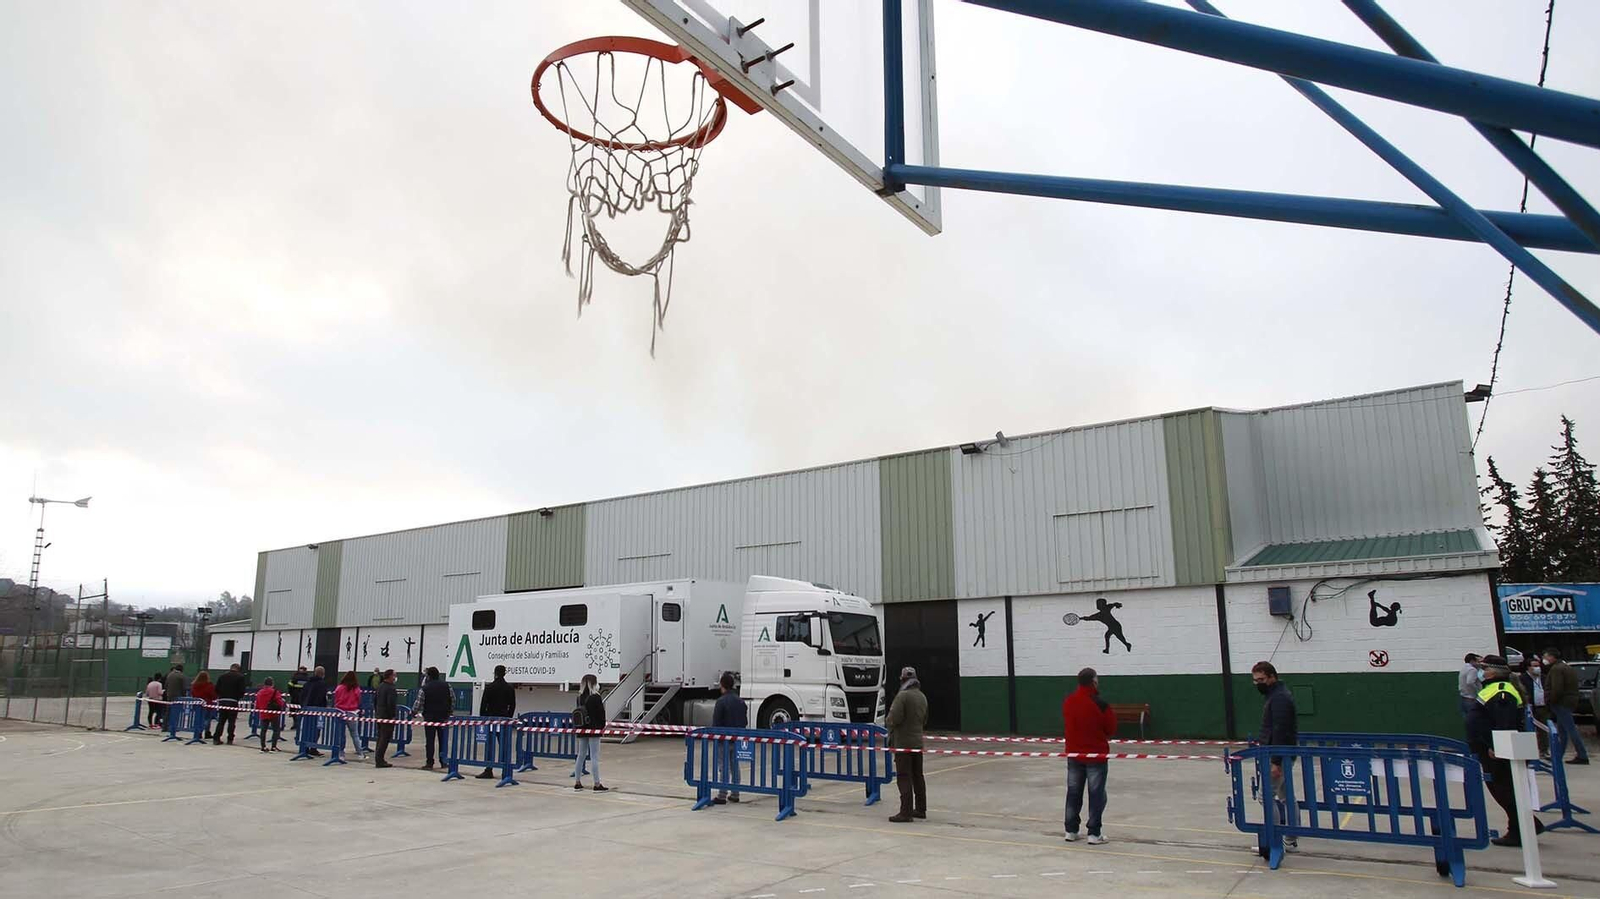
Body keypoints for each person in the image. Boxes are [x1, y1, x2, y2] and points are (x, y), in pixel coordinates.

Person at [1466, 655, 1545, 846]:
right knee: (1502, 789)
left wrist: (1496, 746)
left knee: (1504, 789)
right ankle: (1524, 825)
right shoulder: (1493, 689)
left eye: (1484, 668)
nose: (1481, 671)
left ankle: (1522, 829)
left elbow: (1504, 722)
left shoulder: (1502, 691)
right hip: (1491, 747)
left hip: (1499, 749)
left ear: (1493, 671)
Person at [1062, 667, 1117, 845]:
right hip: (1095, 755)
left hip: (1074, 754)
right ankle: (1094, 833)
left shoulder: (1068, 701)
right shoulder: (1100, 704)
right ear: (1093, 681)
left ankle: (1071, 830)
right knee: (1096, 794)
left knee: (1073, 792)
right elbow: (1111, 728)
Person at [1252, 661, 1299, 852]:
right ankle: (1290, 838)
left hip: (1277, 754)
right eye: (1255, 681)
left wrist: (1276, 762)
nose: (1258, 684)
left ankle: (1275, 839)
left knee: (1266, 796)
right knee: (1287, 796)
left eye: (1261, 679)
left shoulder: (1279, 698)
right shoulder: (1277, 695)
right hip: (1281, 753)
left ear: (1272, 677)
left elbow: (1280, 730)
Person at [886, 666, 928, 823]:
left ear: (903, 680)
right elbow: (925, 720)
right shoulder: (922, 697)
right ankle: (921, 809)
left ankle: (906, 812)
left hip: (903, 743)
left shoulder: (902, 697)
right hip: (917, 743)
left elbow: (893, 719)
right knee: (918, 776)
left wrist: (889, 724)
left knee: (904, 777)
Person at [1542, 649, 1590, 765]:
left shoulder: (1557, 669)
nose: (1544, 659)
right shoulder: (1566, 667)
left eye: (1546, 656)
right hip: (1568, 701)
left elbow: (1557, 688)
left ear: (1552, 657)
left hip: (1561, 703)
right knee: (1562, 730)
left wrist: (1550, 701)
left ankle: (1582, 754)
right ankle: (1558, 754)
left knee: (1570, 728)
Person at [711, 671, 747, 804]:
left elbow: (716, 723)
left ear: (722, 685)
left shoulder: (721, 702)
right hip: (737, 739)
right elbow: (744, 722)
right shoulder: (741, 701)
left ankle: (722, 795)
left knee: (723, 767)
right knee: (735, 766)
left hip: (723, 740)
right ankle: (735, 793)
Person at [477, 665, 517, 779]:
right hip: (504, 720)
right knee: (504, 745)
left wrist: (484, 719)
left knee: (489, 745)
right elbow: (512, 705)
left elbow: (483, 705)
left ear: (494, 673)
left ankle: (488, 769)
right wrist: (508, 717)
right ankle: (505, 770)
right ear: (505, 673)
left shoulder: (490, 687)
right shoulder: (509, 688)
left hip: (491, 720)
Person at [573, 674, 608, 792]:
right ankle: (597, 783)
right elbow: (601, 714)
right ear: (594, 683)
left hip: (582, 728)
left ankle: (577, 781)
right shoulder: (596, 697)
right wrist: (602, 727)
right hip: (594, 729)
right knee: (594, 757)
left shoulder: (579, 697)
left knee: (581, 755)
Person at [418, 667, 453, 770]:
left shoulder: (425, 688)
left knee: (430, 741)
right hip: (443, 717)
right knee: (443, 740)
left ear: (428, 676)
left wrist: (413, 712)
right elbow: (453, 699)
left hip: (429, 717)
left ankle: (429, 763)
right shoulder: (447, 686)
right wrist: (449, 712)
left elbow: (419, 702)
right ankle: (443, 762)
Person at [333, 671, 366, 759]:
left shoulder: (339, 688)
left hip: (340, 711)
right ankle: (360, 753)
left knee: (341, 734)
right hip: (352, 712)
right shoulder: (356, 689)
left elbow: (335, 698)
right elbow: (359, 700)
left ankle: (341, 753)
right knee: (355, 734)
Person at [214, 663, 246, 745]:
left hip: (222, 700)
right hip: (233, 701)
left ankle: (216, 738)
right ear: (238, 669)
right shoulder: (240, 677)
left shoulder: (222, 676)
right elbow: (242, 690)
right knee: (231, 721)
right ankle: (230, 739)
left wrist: (221, 695)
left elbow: (217, 688)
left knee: (221, 721)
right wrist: (238, 697)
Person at [300, 666, 328, 757]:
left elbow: (302, 696)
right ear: (322, 674)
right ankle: (313, 748)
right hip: (318, 711)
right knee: (316, 730)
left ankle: (305, 747)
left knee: (307, 729)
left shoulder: (307, 683)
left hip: (307, 710)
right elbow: (322, 698)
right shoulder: (322, 684)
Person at [372, 669, 398, 768]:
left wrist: (377, 711)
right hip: (387, 716)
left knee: (380, 737)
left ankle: (378, 758)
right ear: (390, 676)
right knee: (385, 738)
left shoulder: (380, 686)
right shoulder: (391, 688)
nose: (395, 678)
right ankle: (380, 759)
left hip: (379, 715)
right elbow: (391, 703)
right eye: (394, 676)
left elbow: (375, 700)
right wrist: (392, 715)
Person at [254, 677, 286, 752]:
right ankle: (273, 746)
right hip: (273, 714)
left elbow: (257, 705)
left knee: (263, 730)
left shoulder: (259, 692)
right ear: (272, 684)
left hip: (263, 713)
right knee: (276, 730)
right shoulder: (275, 692)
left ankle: (263, 746)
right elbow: (280, 702)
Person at [190, 671, 218, 740]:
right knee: (207, 719)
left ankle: (198, 732)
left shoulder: (194, 685)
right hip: (207, 704)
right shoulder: (209, 685)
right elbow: (213, 695)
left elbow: (193, 694)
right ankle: (207, 732)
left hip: (197, 704)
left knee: (198, 719)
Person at [1457, 653, 1481, 719]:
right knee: (1474, 719)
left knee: (1468, 719)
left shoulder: (1464, 668)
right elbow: (1470, 682)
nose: (1480, 664)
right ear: (1472, 661)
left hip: (1464, 697)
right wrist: (1478, 692)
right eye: (1478, 661)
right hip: (1471, 698)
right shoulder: (1472, 670)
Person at [287, 666, 308, 732]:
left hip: (295, 697)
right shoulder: (307, 678)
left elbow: (289, 685)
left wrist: (291, 694)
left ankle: (295, 723)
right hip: (303, 698)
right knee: (301, 710)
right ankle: (300, 723)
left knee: (293, 710)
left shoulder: (294, 677)